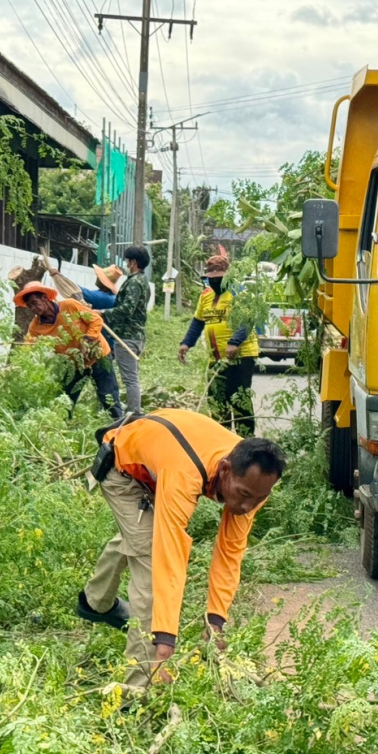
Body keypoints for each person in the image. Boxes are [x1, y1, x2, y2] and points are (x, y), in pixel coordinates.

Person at [77, 408, 286, 689]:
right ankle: (137, 691)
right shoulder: (184, 474)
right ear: (224, 469)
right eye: (244, 496)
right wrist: (164, 638)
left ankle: (94, 603)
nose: (248, 506)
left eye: (260, 499)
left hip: (157, 464)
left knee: (139, 536)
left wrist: (215, 620)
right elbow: (170, 554)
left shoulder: (250, 483)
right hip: (121, 469)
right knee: (151, 553)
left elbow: (230, 553)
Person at [15, 281, 123, 420]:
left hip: (98, 355)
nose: (33, 308)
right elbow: (28, 348)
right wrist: (18, 364)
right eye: (29, 306)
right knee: (65, 400)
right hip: (74, 364)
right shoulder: (35, 327)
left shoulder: (69, 306)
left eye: (34, 302)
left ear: (45, 298)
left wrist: (88, 339)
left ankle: (119, 426)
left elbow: (95, 319)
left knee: (108, 397)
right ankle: (63, 428)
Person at [178, 254, 260, 436]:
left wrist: (234, 342)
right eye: (212, 278)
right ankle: (223, 441)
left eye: (219, 278)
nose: (215, 281)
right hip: (216, 358)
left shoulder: (240, 292)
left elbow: (248, 320)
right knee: (216, 401)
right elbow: (198, 321)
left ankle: (244, 441)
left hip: (240, 357)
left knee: (238, 399)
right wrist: (186, 343)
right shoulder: (206, 295)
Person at [97, 246, 151, 415]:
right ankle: (130, 410)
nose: (126, 264)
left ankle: (134, 413)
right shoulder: (142, 281)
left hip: (127, 337)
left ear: (134, 262)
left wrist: (103, 313)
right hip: (135, 336)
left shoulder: (135, 282)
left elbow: (127, 309)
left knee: (130, 378)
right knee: (130, 376)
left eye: (128, 261)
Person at [49, 263, 123, 310]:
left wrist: (60, 278)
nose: (97, 278)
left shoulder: (106, 298)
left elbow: (80, 291)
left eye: (99, 277)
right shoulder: (105, 294)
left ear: (103, 282)